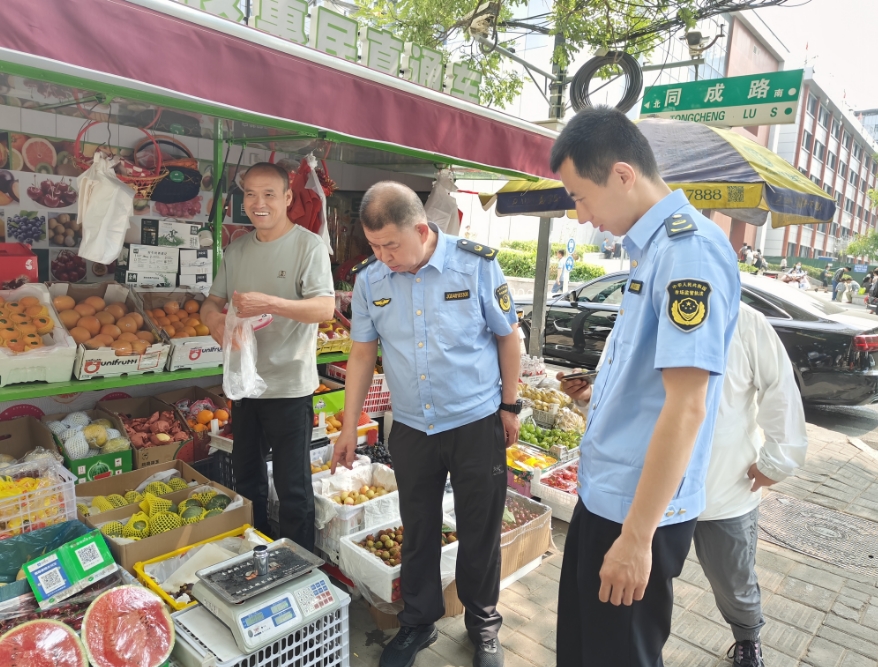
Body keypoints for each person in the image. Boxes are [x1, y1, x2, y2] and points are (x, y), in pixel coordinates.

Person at [549, 106, 740, 667]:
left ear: (623, 175)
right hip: (606, 495)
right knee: (584, 652)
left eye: (581, 196)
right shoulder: (652, 250)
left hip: (638, 513)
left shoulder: (688, 253)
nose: (581, 215)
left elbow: (686, 408)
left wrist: (636, 540)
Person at [331, 181, 521, 667]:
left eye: (391, 245)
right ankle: (418, 622)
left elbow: (507, 336)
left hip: (476, 423)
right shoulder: (372, 280)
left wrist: (510, 406)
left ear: (421, 228)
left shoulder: (475, 264)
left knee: (480, 529)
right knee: (417, 528)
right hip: (413, 428)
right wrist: (349, 426)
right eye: (374, 247)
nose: (384, 256)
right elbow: (360, 355)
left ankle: (483, 623)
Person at [557, 303, 808, 667]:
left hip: (721, 490)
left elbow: (780, 390)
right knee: (641, 600)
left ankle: (747, 636)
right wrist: (587, 397)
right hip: (651, 497)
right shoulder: (640, 315)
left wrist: (778, 460)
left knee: (733, 580)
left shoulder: (743, 321)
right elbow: (622, 396)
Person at [202, 162, 335, 550]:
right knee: (247, 479)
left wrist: (273, 303)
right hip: (244, 386)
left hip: (289, 388)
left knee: (294, 487)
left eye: (269, 194)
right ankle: (256, 547)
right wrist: (213, 320)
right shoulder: (237, 249)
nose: (258, 203)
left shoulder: (308, 247)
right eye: (250, 194)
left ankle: (298, 561)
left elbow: (325, 308)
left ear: (288, 198)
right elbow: (211, 301)